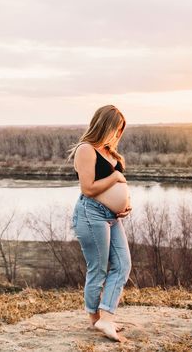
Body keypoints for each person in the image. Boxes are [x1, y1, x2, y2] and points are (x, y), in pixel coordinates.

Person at [67, 105, 132, 342]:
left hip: (112, 218)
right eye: (115, 129)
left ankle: (106, 317)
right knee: (99, 268)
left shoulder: (110, 152)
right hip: (90, 214)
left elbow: (118, 189)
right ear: (104, 125)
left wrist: (125, 204)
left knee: (123, 265)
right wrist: (116, 177)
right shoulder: (86, 149)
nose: (117, 135)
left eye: (120, 131)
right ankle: (96, 320)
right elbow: (88, 188)